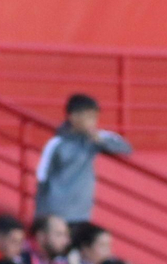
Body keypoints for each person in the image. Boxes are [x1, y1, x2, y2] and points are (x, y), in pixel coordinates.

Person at [33, 94, 132, 223]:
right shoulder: (57, 143)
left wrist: (101, 141)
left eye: (95, 117)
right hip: (55, 212)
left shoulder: (95, 138)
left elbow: (125, 147)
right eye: (89, 117)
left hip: (81, 213)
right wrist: (42, 213)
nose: (94, 122)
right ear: (73, 117)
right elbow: (42, 176)